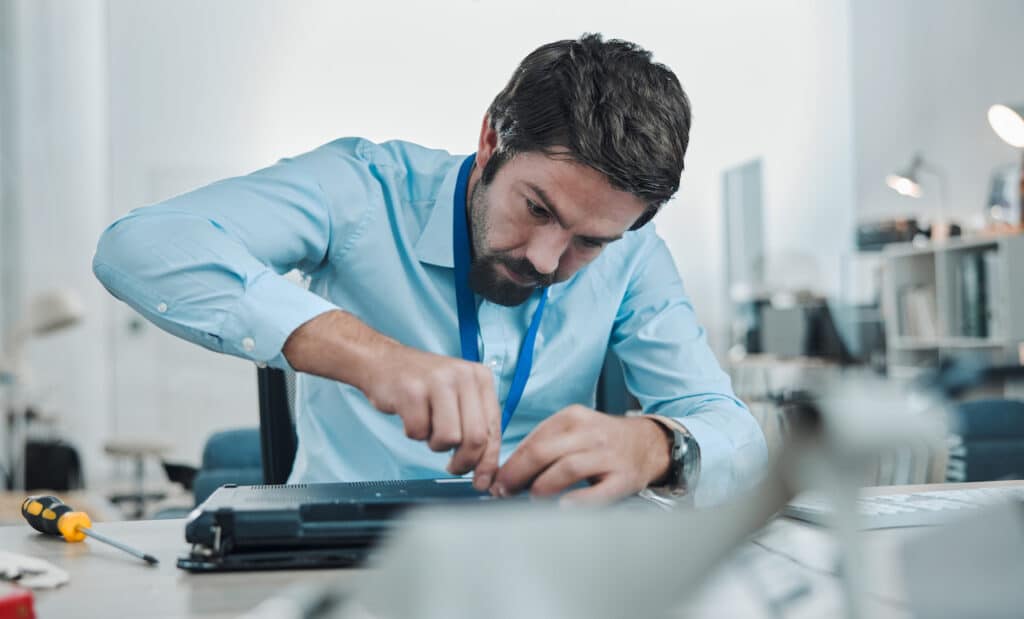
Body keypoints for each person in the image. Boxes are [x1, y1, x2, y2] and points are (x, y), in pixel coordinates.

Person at [93, 33, 766, 506]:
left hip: (538, 563)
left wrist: (659, 446)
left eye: (588, 242)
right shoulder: (362, 187)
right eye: (536, 207)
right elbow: (139, 245)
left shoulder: (635, 254)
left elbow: (736, 434)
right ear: (489, 142)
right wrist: (369, 354)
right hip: (341, 557)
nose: (544, 258)